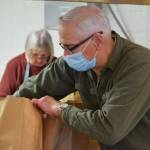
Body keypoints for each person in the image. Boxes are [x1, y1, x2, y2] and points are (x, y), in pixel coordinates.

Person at [14, 6, 150, 150]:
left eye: (70, 47)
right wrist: (10, 108)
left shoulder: (139, 66)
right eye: (62, 46)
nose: (65, 55)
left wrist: (59, 109)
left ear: (97, 40)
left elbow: (108, 129)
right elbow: (35, 87)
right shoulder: (75, 62)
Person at [0, 29, 55, 97]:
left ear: (50, 52)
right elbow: (2, 98)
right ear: (27, 51)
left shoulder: (56, 65)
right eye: (35, 54)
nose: (39, 60)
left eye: (44, 55)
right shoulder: (14, 65)